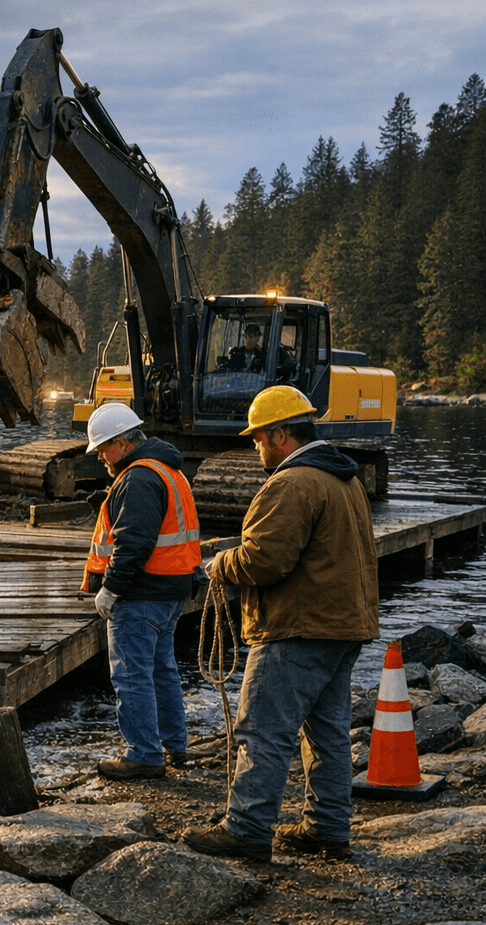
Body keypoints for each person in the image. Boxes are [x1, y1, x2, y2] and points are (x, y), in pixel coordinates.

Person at [183, 386, 379, 862]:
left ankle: (248, 830)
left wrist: (218, 564)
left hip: (296, 628)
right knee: (327, 735)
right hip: (344, 625)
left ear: (279, 436)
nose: (255, 448)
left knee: (263, 731)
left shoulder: (291, 484)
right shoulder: (344, 478)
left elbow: (265, 561)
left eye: (257, 439)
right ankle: (328, 827)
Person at [80, 403, 205, 781]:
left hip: (141, 594)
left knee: (132, 674)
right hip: (171, 590)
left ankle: (145, 754)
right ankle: (174, 745)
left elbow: (133, 543)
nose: (101, 457)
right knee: (162, 670)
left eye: (103, 448)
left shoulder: (138, 478)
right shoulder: (169, 471)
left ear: (122, 443)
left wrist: (110, 590)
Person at [223, 323, 296, 380]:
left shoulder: (264, 355)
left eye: (253, 337)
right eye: (247, 337)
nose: (248, 340)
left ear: (257, 339)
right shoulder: (235, 353)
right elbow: (228, 372)